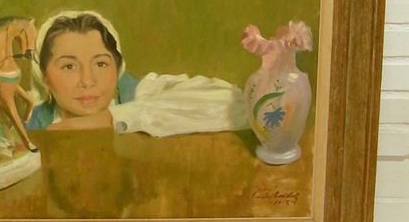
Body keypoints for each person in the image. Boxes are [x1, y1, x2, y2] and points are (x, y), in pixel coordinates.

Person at [26, 10, 249, 136]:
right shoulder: (32, 125)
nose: (88, 80)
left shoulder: (138, 93)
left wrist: (111, 118)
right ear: (45, 77)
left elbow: (237, 104)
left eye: (101, 64)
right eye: (69, 66)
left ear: (117, 68)